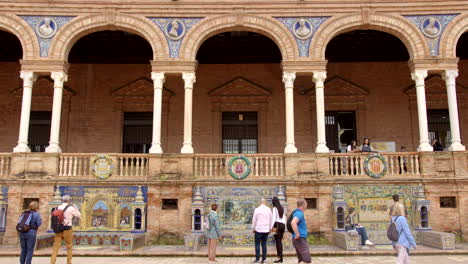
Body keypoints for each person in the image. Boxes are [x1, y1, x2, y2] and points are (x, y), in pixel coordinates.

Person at [50, 195, 81, 264]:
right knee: (69, 246)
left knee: (56, 247)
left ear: (62, 200)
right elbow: (79, 215)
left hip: (58, 229)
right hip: (67, 229)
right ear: (69, 200)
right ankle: (68, 262)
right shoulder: (71, 208)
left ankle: (52, 262)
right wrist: (76, 207)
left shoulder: (57, 208)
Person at [251, 198, 272, 263]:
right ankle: (264, 259)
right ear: (265, 202)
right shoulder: (268, 209)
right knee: (264, 244)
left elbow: (254, 220)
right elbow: (271, 219)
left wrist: (253, 228)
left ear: (260, 202)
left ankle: (257, 259)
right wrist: (270, 228)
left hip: (258, 229)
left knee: (257, 244)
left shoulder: (257, 209)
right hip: (266, 229)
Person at [291, 199, 311, 264]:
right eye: (306, 204)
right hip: (299, 239)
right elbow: (293, 222)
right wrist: (297, 234)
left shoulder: (297, 212)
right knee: (306, 259)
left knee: (301, 259)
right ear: (303, 205)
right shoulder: (299, 213)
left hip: (299, 239)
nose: (307, 205)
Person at [271, 197, 286, 263]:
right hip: (282, 225)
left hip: (277, 225)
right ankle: (281, 257)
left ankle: (279, 256)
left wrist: (271, 227)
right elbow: (284, 218)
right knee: (280, 241)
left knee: (278, 242)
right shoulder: (282, 208)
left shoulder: (275, 208)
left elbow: (273, 218)